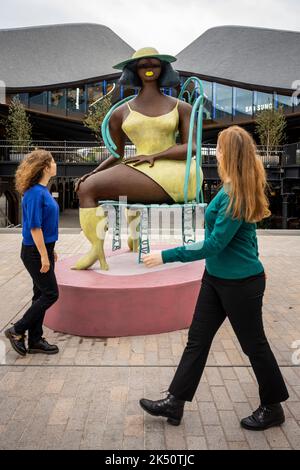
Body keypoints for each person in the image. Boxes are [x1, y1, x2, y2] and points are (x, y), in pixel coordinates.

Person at [139, 126, 289, 431]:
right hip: (216, 278)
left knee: (254, 345)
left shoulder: (235, 193)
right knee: (197, 340)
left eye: (219, 148)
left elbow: (214, 244)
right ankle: (175, 402)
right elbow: (248, 240)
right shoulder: (230, 185)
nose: (216, 153)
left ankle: (273, 407)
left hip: (241, 284)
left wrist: (166, 256)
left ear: (229, 153)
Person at [72, 47, 202, 270]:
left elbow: (191, 148)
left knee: (89, 189)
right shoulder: (119, 112)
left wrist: (155, 155)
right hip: (140, 169)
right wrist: (93, 173)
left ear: (163, 69)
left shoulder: (182, 107)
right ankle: (97, 248)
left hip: (177, 173)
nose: (149, 69)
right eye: (143, 65)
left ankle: (101, 249)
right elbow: (118, 155)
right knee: (86, 186)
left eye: (154, 64)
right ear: (134, 70)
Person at [5, 150, 60, 356]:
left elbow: (44, 225)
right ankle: (17, 330)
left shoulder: (42, 190)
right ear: (45, 167)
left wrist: (51, 249)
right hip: (35, 252)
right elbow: (34, 228)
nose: (56, 164)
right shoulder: (36, 193)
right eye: (53, 161)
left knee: (39, 294)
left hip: (42, 248)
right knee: (51, 294)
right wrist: (44, 255)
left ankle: (35, 339)